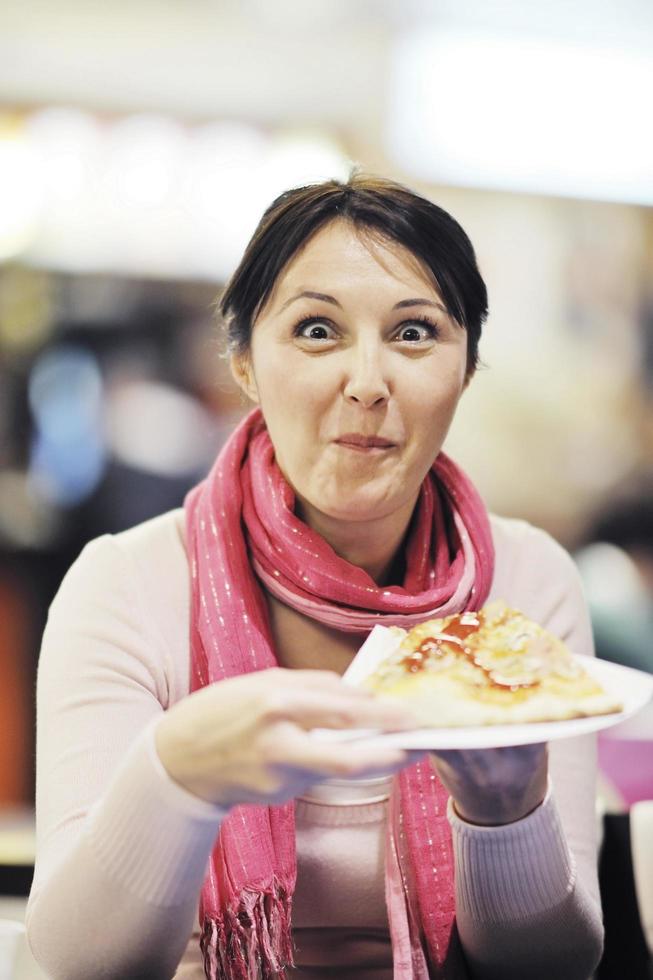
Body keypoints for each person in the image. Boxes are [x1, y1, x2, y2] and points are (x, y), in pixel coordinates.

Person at [25, 175, 604, 980]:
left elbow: (555, 968)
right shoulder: (127, 584)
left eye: (413, 334)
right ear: (244, 364)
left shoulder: (526, 584)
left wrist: (505, 816)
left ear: (466, 368)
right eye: (316, 329)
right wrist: (178, 775)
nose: (367, 381)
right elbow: (74, 964)